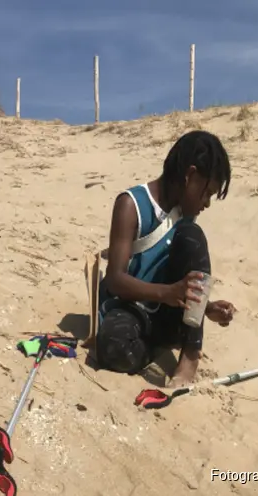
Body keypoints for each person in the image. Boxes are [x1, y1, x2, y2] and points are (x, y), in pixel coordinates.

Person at [95, 130, 237, 387]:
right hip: (131, 308)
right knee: (113, 348)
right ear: (190, 176)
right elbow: (115, 280)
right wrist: (168, 293)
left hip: (167, 312)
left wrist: (205, 306)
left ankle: (191, 354)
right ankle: (156, 347)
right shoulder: (131, 204)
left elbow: (177, 285)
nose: (206, 203)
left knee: (193, 236)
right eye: (207, 193)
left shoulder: (185, 218)